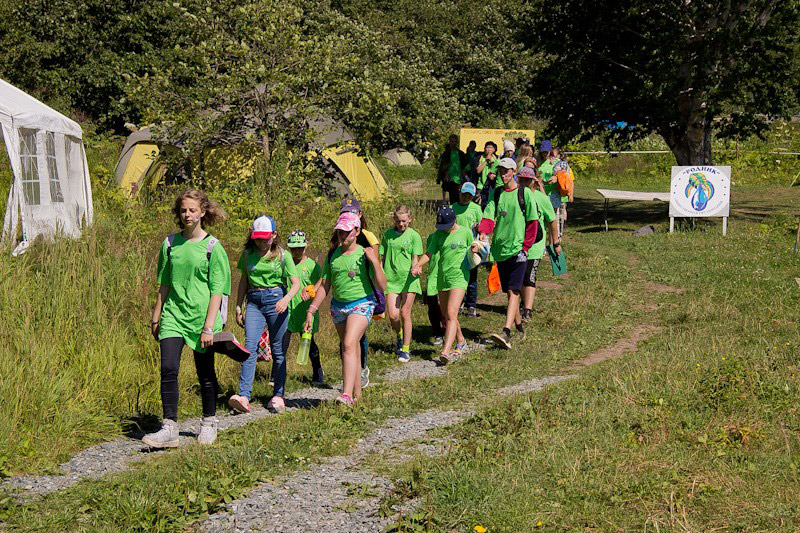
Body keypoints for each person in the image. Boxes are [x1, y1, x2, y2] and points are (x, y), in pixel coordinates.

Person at [144, 189, 230, 448]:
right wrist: (156, 316)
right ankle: (169, 427)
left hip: (202, 319)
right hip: (173, 315)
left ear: (203, 211)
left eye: (192, 210)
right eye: (183, 210)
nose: (187, 215)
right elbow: (165, 284)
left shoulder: (213, 247)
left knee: (205, 372)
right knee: (168, 368)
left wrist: (207, 327)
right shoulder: (170, 244)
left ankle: (209, 422)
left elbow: (218, 291)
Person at [305, 212, 387, 405]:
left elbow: (382, 285)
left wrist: (375, 261)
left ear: (357, 231)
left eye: (347, 231)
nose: (343, 235)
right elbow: (325, 285)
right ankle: (357, 395)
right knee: (352, 349)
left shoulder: (365, 254)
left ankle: (346, 394)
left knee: (349, 344)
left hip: (362, 303)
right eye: (340, 231)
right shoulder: (333, 255)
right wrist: (312, 310)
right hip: (338, 307)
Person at [478, 158, 560, 349]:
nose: (503, 174)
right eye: (500, 171)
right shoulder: (497, 193)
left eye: (506, 171)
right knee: (509, 292)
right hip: (501, 250)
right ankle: (519, 327)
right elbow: (489, 217)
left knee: (515, 290)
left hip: (519, 250)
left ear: (514, 171)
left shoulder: (525, 194)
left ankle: (506, 332)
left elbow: (533, 223)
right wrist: (483, 232)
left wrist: (525, 248)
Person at [228, 217, 301, 415]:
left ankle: (278, 395)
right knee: (249, 348)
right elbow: (244, 281)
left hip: (277, 300)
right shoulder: (247, 254)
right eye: (257, 239)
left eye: (265, 239)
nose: (261, 243)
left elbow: (296, 284)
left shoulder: (283, 256)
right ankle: (244, 396)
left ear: (274, 236)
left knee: (277, 350)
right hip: (254, 301)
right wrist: (237, 306)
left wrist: (286, 299)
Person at [412, 206, 476, 365]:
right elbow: (429, 253)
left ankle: (446, 351)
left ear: (454, 221)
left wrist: (476, 248)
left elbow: (476, 248)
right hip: (443, 278)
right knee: (449, 314)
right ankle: (461, 341)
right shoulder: (438, 235)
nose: (444, 229)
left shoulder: (465, 232)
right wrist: (419, 265)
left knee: (451, 312)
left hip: (459, 278)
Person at [337, 197, 378, 388]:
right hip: (343, 300)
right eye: (345, 212)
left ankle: (362, 369)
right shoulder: (338, 237)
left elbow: (375, 265)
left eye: (353, 212)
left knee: (355, 339)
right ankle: (353, 381)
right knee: (348, 341)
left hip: (364, 293)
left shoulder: (368, 236)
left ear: (359, 215)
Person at [380, 205, 423, 363]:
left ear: (410, 220)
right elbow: (382, 257)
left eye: (404, 221)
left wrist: (415, 268)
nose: (401, 224)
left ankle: (405, 349)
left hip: (409, 280)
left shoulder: (414, 236)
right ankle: (399, 334)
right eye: (398, 221)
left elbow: (416, 258)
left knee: (405, 313)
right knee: (393, 315)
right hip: (391, 279)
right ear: (394, 219)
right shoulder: (388, 235)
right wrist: (380, 272)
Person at [516, 167, 559, 320]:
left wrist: (556, 242)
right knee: (519, 276)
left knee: (529, 276)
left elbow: (552, 220)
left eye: (526, 180)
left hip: (535, 244)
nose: (523, 183)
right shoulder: (514, 195)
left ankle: (527, 309)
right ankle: (521, 303)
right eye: (520, 179)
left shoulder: (541, 199)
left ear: (533, 181)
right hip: (517, 243)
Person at [285, 230, 324, 386]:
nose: (297, 251)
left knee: (308, 343)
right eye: (293, 248)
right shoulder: (285, 262)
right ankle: (277, 374)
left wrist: (311, 290)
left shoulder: (311, 265)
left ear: (306, 246)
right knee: (282, 343)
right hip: (287, 309)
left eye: (300, 248)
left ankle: (317, 371)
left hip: (305, 311)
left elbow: (322, 282)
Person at [451, 182, 483, 317]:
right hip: (457, 248)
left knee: (471, 278)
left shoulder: (476, 209)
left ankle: (471, 305)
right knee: (458, 277)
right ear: (459, 192)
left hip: (471, 248)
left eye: (469, 196)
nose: (465, 197)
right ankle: (460, 302)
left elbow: (482, 228)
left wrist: (478, 227)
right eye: (464, 194)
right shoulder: (453, 208)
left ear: (473, 196)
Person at [552, 147, 574, 240]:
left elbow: (571, 181)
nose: (552, 157)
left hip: (562, 194)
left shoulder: (564, 167)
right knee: (557, 214)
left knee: (560, 213)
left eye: (554, 155)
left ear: (559, 156)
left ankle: (559, 233)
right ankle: (556, 233)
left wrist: (571, 194)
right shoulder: (555, 166)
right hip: (556, 194)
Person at [437, 134, 466, 204]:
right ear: (449, 142)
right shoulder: (446, 153)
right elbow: (443, 165)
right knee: (452, 197)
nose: (453, 143)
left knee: (458, 197)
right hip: (450, 178)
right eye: (452, 141)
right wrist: (445, 174)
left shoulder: (460, 153)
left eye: (455, 141)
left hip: (458, 177)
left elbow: (465, 164)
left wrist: (464, 172)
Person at [475, 141, 499, 207]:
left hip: (492, 186)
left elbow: (496, 170)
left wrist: (491, 160)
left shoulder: (496, 158)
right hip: (481, 186)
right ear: (484, 149)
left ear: (494, 149)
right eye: (487, 147)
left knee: (491, 205)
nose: (489, 149)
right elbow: (478, 171)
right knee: (480, 205)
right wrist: (486, 161)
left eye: (491, 147)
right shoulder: (480, 158)